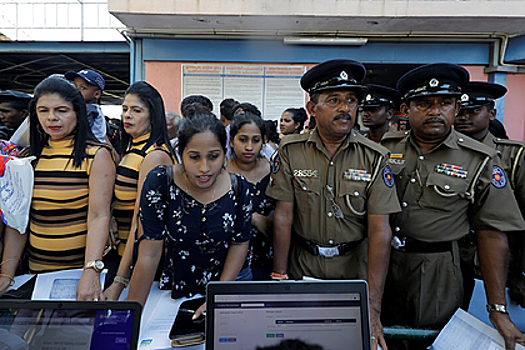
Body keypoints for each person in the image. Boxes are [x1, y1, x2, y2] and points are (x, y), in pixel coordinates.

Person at [380, 63, 525, 350]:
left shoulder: (481, 160)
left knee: (435, 342)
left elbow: (492, 234)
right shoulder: (387, 146)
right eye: (424, 104)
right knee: (385, 338)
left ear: (456, 108)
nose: (435, 111)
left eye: (444, 103)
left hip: (439, 270)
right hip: (386, 261)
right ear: (405, 110)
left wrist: (497, 308)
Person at [266, 59, 401, 350]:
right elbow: (283, 217)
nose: (345, 108)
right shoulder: (290, 151)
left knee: (349, 342)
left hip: (354, 269)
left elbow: (380, 232)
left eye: (351, 100)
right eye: (334, 100)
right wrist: (279, 278)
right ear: (312, 108)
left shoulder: (375, 157)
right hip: (303, 264)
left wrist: (373, 306)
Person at [126, 112, 252, 311]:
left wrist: (216, 298)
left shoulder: (239, 187)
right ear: (181, 153)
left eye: (213, 156)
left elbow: (240, 243)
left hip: (222, 288)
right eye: (194, 157)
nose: (204, 168)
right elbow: (148, 255)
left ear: (225, 152)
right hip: (168, 294)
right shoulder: (160, 182)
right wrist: (131, 317)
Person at [22, 75, 115, 300]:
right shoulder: (28, 158)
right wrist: (7, 272)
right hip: (35, 275)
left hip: (78, 277)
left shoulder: (97, 155)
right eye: (43, 111)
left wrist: (90, 271)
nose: (51, 118)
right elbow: (19, 220)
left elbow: (98, 215)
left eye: (61, 110)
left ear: (77, 113)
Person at [454, 81, 525, 307]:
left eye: (474, 111)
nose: (464, 117)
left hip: (501, 258)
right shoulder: (444, 154)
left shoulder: (512, 156)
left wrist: (522, 271)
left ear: (491, 113)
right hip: (452, 258)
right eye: (460, 111)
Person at [103, 81, 175, 299]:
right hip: (122, 255)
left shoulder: (155, 155)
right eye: (125, 109)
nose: (127, 116)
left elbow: (140, 220)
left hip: (137, 267)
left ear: (153, 116)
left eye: (136, 110)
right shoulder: (133, 147)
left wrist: (119, 280)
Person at [227, 112, 275, 280]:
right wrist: (252, 218)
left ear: (263, 142)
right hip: (231, 261)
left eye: (255, 140)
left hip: (268, 256)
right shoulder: (221, 174)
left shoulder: (275, 172)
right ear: (232, 141)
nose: (249, 147)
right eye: (242, 140)